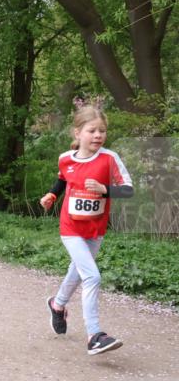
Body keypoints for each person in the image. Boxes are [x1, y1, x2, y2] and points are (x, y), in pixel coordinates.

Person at [40, 99, 133, 356]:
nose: (98, 135)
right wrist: (51, 196)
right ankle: (95, 335)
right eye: (92, 131)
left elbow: (128, 189)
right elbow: (61, 180)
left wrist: (106, 191)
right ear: (77, 133)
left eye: (102, 131)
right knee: (92, 276)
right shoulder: (65, 159)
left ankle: (57, 305)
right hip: (70, 228)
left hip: (96, 229)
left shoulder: (109, 159)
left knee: (79, 271)